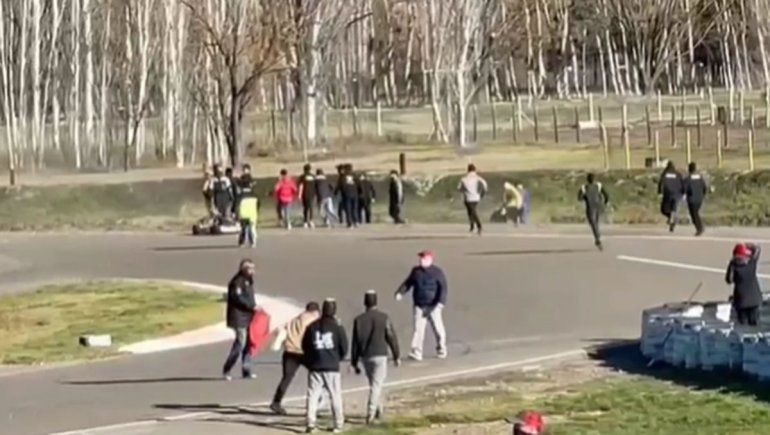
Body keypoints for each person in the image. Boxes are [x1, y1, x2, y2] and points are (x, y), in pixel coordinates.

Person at [351, 290, 401, 425]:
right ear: (376, 302)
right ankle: (371, 413)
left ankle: (379, 410)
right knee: (376, 385)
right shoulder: (383, 317)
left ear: (365, 303)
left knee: (374, 384)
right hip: (380, 355)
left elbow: (355, 342)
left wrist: (354, 361)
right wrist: (396, 355)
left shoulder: (359, 320)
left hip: (366, 356)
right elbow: (391, 336)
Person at [302, 299, 348, 433]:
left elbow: (305, 346)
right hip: (332, 366)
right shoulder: (337, 327)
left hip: (316, 366)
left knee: (312, 395)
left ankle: (310, 423)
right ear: (334, 311)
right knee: (335, 395)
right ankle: (338, 423)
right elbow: (344, 347)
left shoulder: (312, 326)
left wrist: (311, 359)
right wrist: (337, 358)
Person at [394, 250, 448, 361]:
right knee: (418, 330)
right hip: (419, 305)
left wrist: (440, 303)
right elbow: (408, 283)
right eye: (420, 258)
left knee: (438, 329)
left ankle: (441, 348)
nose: (421, 260)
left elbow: (443, 288)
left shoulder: (437, 272)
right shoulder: (416, 272)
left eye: (423, 258)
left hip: (433, 306)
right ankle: (417, 352)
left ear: (430, 260)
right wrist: (400, 292)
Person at [270, 301, 321, 415]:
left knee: (286, 378)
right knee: (317, 374)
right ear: (315, 312)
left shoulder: (294, 319)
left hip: (289, 351)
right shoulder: (313, 321)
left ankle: (276, 401)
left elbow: (281, 330)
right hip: (304, 353)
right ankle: (315, 400)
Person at [222, 259, 258, 380]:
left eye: (254, 268)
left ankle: (246, 370)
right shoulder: (237, 282)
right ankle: (227, 368)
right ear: (244, 269)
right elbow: (237, 298)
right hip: (238, 317)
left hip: (248, 316)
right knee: (240, 343)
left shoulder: (249, 281)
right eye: (250, 268)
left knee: (249, 343)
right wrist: (251, 306)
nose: (253, 271)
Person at [726, 243, 763, 326]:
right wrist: (748, 245)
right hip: (755, 300)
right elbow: (757, 249)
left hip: (741, 301)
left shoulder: (734, 266)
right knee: (754, 324)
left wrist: (731, 265)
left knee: (742, 324)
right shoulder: (751, 263)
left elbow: (729, 280)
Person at [578, 173, 609, 251]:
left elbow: (579, 198)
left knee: (593, 223)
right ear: (594, 179)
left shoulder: (584, 188)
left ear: (587, 180)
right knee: (596, 223)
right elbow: (606, 195)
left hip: (590, 207)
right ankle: (597, 238)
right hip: (598, 206)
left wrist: (585, 197)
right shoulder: (598, 186)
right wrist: (605, 202)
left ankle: (598, 239)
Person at [458, 164, 488, 235]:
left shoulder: (464, 179)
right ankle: (472, 226)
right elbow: (485, 186)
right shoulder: (478, 178)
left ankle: (478, 225)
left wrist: (464, 190)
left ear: (468, 170)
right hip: (476, 197)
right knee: (471, 212)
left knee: (472, 212)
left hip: (468, 198)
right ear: (475, 170)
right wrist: (482, 194)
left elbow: (459, 188)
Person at [658, 161, 684, 232]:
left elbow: (661, 183)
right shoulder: (678, 174)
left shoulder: (665, 174)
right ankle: (672, 219)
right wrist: (683, 192)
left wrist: (660, 192)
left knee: (663, 210)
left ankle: (670, 218)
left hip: (667, 194)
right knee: (674, 209)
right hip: (677, 194)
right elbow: (682, 183)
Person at [237, 164, 259, 247]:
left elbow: (237, 203)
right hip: (251, 211)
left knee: (246, 227)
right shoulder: (253, 194)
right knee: (249, 227)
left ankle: (246, 241)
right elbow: (258, 202)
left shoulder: (241, 195)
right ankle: (249, 241)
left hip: (245, 211)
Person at [684, 162, 707, 236]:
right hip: (699, 199)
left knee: (694, 214)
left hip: (692, 199)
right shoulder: (700, 178)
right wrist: (702, 195)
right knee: (695, 213)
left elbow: (684, 188)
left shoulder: (688, 179)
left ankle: (700, 228)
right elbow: (704, 188)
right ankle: (699, 228)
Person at [298, 163, 317, 229]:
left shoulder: (302, 176)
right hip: (312, 194)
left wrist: (299, 195)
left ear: (304, 169)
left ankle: (305, 222)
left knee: (305, 208)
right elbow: (316, 186)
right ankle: (311, 221)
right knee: (311, 208)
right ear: (310, 169)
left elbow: (300, 186)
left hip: (304, 194)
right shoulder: (313, 176)